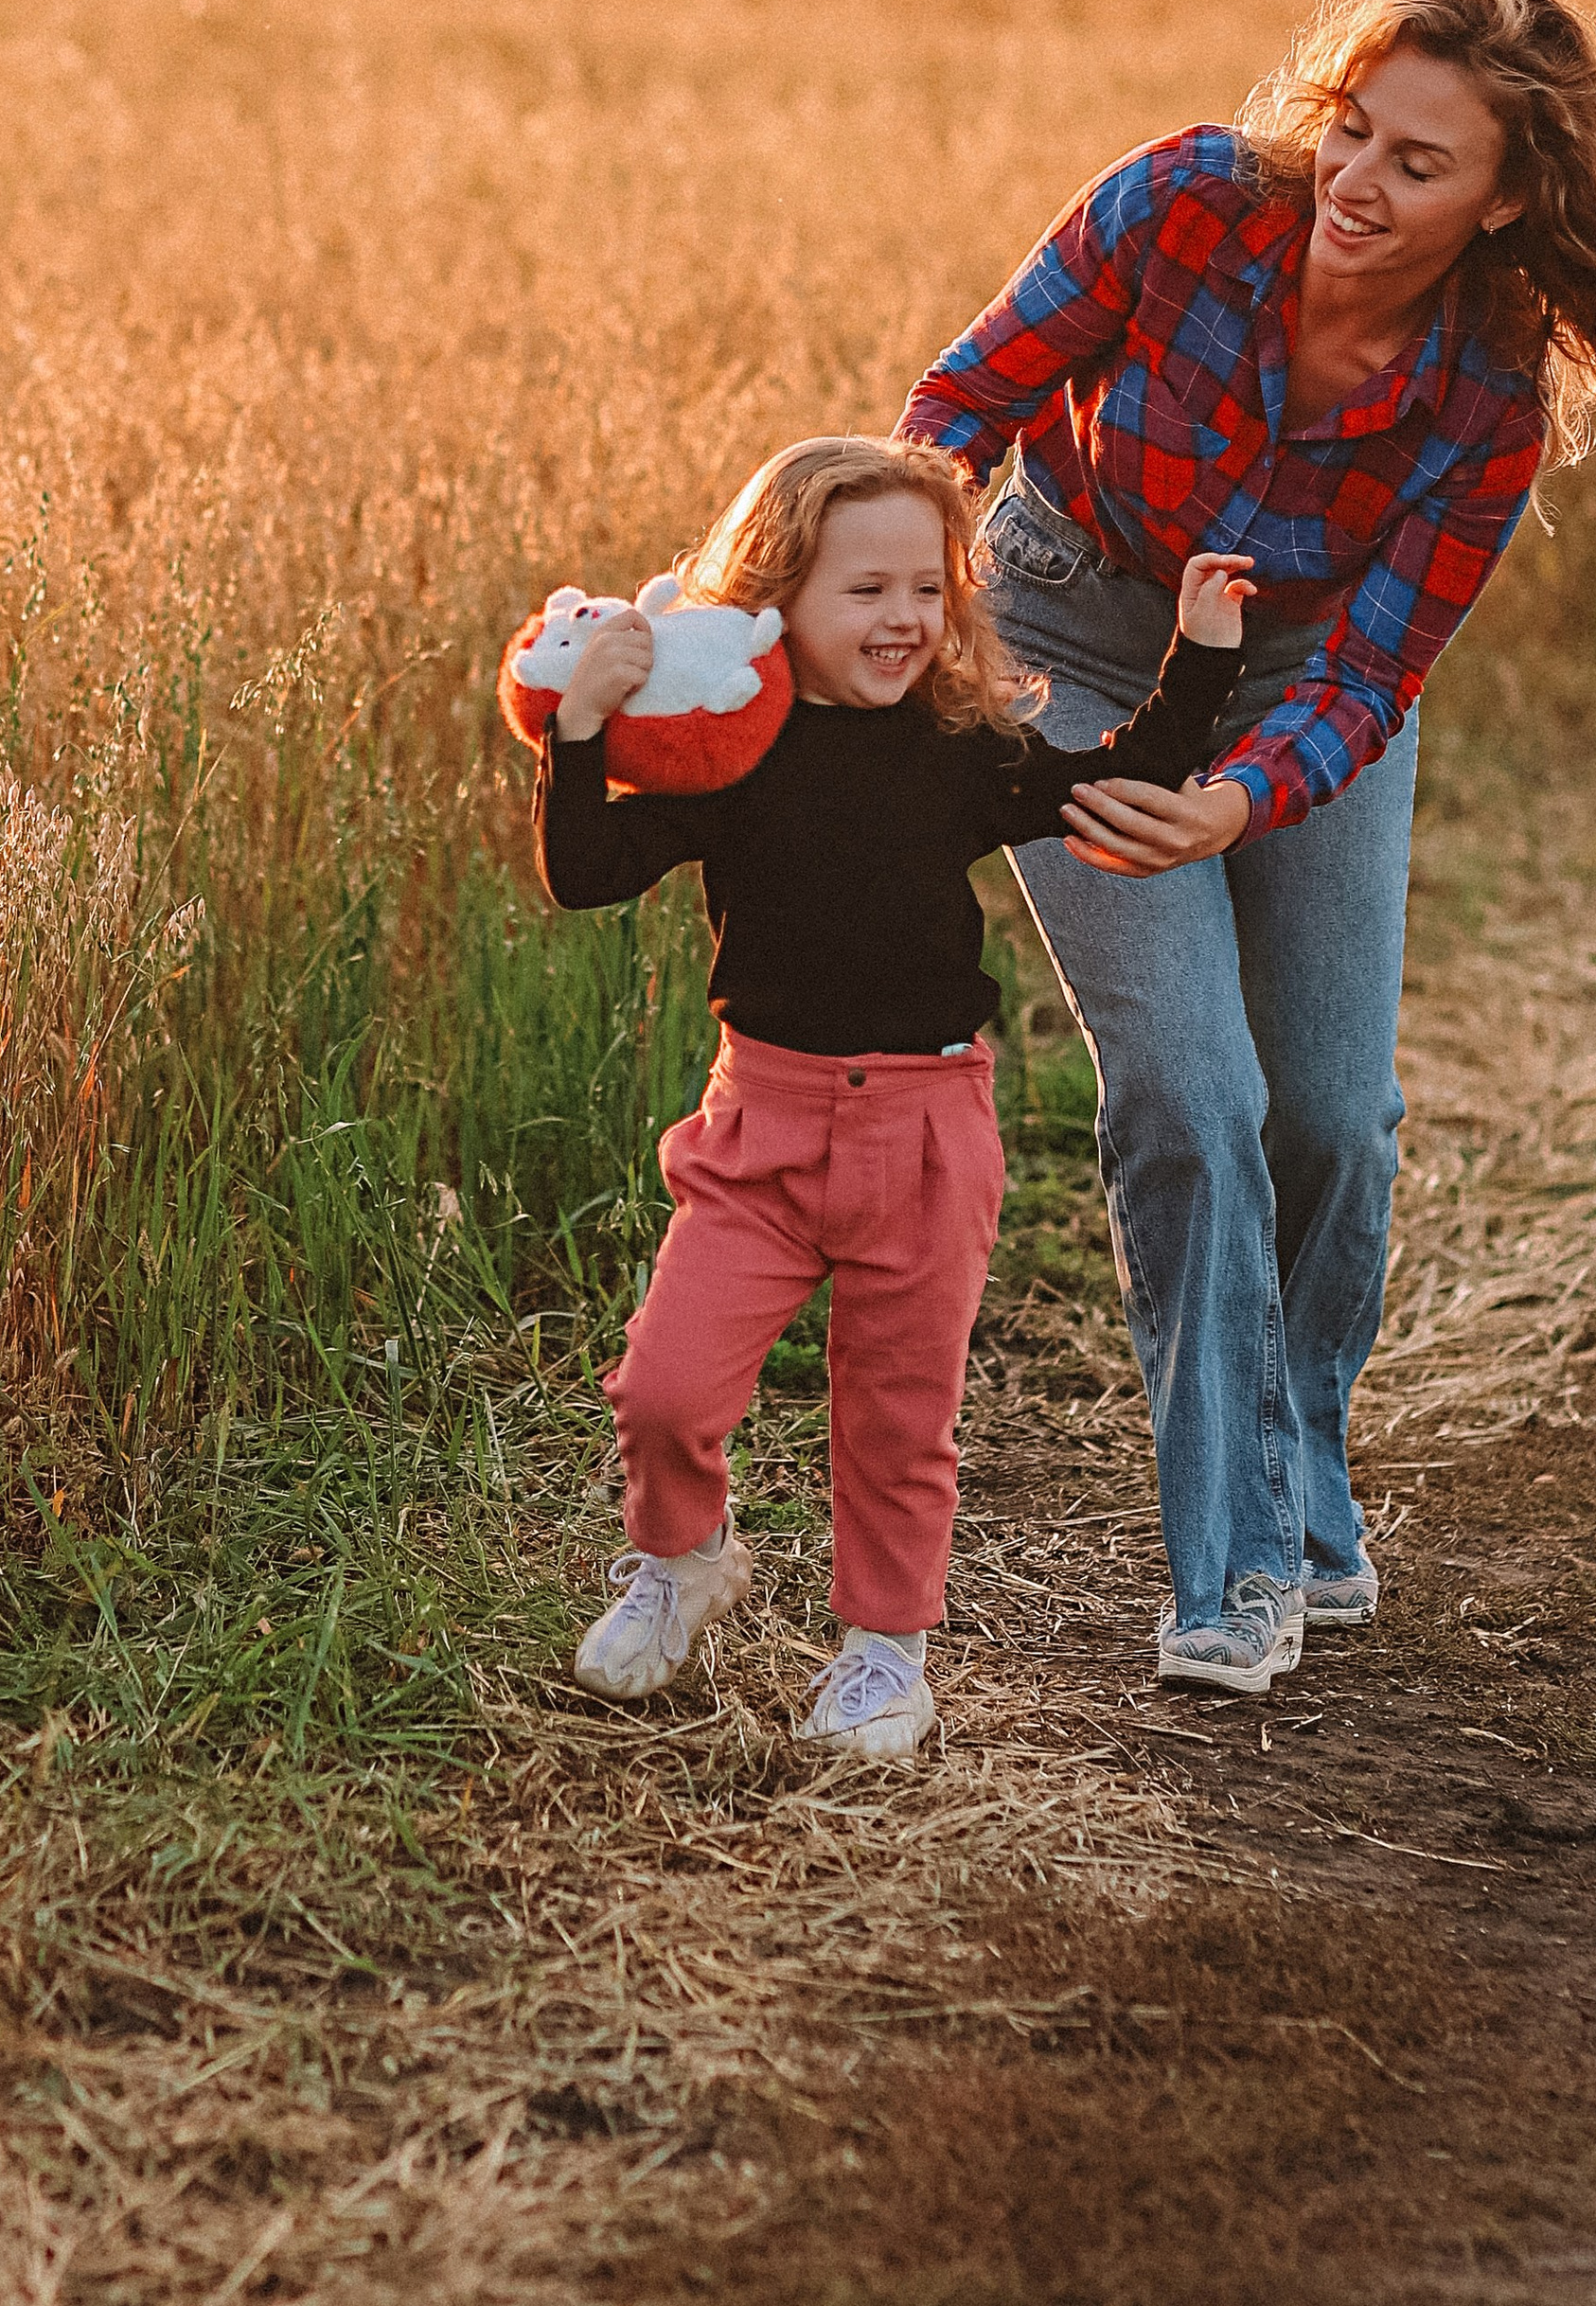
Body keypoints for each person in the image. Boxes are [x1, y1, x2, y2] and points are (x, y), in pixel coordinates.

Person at [899, 0, 1596, 1695]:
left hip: (1308, 684)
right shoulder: (1180, 205)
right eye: (1352, 129)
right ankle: (1232, 1562)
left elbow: (1377, 665)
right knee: (1193, 1089)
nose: (1357, 183)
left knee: (1329, 1113)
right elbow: (962, 404)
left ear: (1506, 199)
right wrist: (919, 600)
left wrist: (1235, 793)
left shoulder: (1486, 397)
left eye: (1418, 163)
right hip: (1077, 639)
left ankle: (1303, 1465)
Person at [537, 435, 1256, 1755]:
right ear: (777, 598)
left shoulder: (963, 753)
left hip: (927, 1132)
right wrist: (580, 726)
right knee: (663, 1390)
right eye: (865, 591)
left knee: (896, 1417)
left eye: (927, 588)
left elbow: (1132, 770)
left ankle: (883, 1658)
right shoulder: (728, 759)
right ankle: (684, 1557)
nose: (904, 618)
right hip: (761, 1124)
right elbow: (586, 870)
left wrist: (1201, 649)